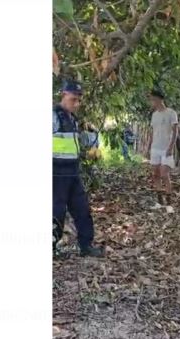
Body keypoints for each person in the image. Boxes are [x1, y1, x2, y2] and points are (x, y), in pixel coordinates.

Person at [53, 79, 104, 257]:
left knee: (82, 209)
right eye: (73, 99)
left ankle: (86, 245)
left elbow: (70, 144)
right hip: (56, 172)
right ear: (64, 95)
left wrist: (86, 153)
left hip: (73, 171)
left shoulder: (72, 119)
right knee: (56, 211)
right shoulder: (53, 116)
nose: (76, 104)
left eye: (78, 100)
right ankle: (52, 247)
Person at [148, 89, 178, 206]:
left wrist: (171, 147)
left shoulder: (171, 113)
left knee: (164, 174)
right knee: (155, 174)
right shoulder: (154, 115)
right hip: (155, 148)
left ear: (159, 99)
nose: (152, 102)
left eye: (153, 99)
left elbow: (175, 131)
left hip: (166, 148)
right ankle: (159, 200)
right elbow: (152, 132)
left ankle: (169, 201)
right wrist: (149, 146)